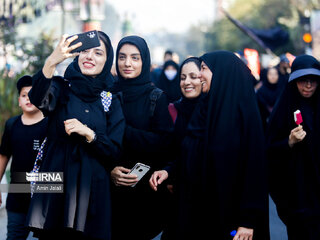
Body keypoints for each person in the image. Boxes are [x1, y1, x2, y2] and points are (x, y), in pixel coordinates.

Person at [152, 51, 269, 240]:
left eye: (204, 69)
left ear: (221, 73)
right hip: (197, 212)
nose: (199, 75)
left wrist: (248, 220)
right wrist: (169, 171)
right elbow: (192, 152)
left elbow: (254, 172)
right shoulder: (205, 110)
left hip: (229, 220)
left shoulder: (244, 117)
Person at [26, 31, 125, 240]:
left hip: (92, 190)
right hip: (55, 186)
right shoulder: (61, 88)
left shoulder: (110, 100)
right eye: (85, 51)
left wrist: (89, 133)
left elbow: (114, 151)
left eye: (98, 53)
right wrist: (52, 61)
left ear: (107, 61)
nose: (89, 57)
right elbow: (37, 98)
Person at [267, 55, 320, 240]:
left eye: (313, 80)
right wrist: (289, 141)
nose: (308, 86)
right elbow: (269, 150)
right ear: (294, 81)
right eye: (302, 80)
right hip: (298, 195)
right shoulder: (284, 109)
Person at [110, 35, 174, 240]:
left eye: (135, 58)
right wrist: (110, 169)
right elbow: (95, 140)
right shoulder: (106, 94)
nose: (127, 63)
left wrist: (122, 131)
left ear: (144, 61)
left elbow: (163, 143)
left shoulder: (156, 97)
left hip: (144, 194)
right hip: (110, 191)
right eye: (122, 57)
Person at [149, 57, 203, 239]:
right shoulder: (172, 110)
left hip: (206, 199)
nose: (187, 82)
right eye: (183, 77)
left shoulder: (213, 113)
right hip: (177, 196)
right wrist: (168, 172)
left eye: (193, 76)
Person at [0, 75, 48, 240]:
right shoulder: (12, 125)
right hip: (17, 198)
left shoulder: (50, 125)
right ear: (19, 101)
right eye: (24, 95)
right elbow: (3, 155)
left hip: (45, 197)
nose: (28, 98)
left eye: (33, 93)